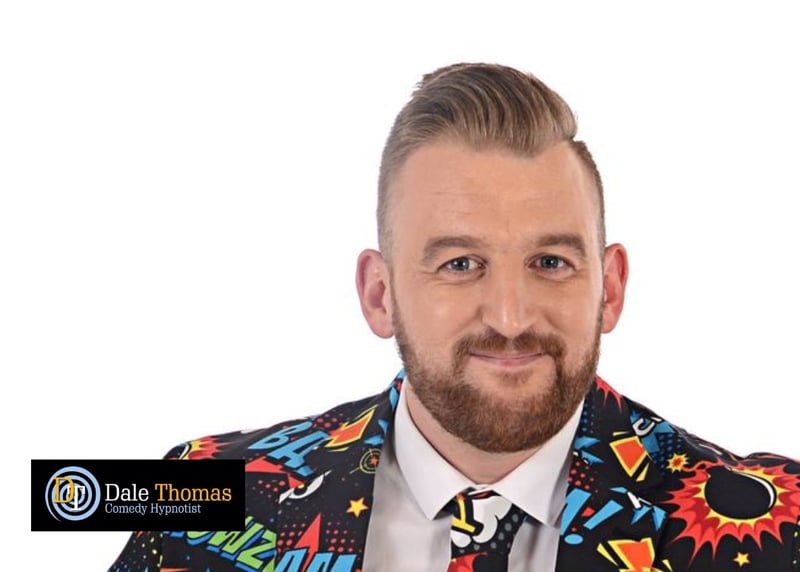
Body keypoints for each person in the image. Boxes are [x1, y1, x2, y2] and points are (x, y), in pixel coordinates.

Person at [109, 63, 800, 572]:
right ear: (379, 295)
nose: (511, 316)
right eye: (460, 263)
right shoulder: (197, 495)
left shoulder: (777, 527)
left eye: (551, 262)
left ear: (610, 288)